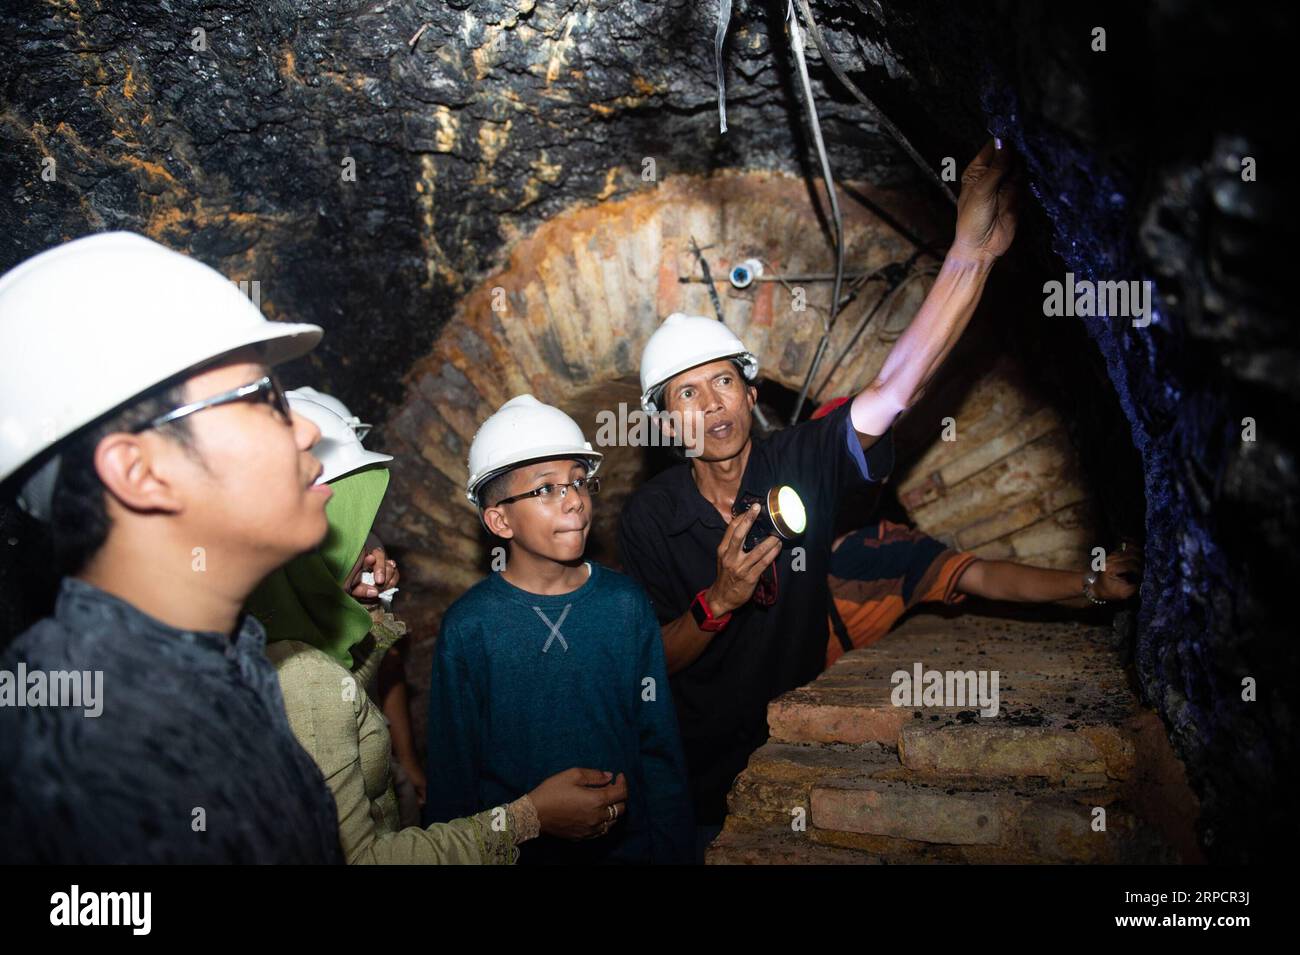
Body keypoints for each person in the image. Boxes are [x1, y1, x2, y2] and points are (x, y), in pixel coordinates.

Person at [616, 141, 1020, 847]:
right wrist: (719, 602)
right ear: (664, 420)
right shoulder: (650, 517)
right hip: (691, 777)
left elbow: (895, 390)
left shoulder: (798, 458)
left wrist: (971, 254)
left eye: (724, 382)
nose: (712, 404)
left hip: (801, 752)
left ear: (748, 390)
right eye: (687, 391)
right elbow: (649, 659)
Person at [0, 231, 343, 863]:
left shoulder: (216, 660)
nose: (310, 429)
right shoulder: (91, 750)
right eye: (263, 399)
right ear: (142, 473)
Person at [251, 392, 625, 863]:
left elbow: (339, 703)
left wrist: (367, 623)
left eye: (578, 483)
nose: (371, 547)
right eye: (356, 524)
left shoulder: (283, 644)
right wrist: (529, 817)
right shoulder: (307, 675)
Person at [425, 395, 694, 864]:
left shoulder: (625, 605)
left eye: (578, 481)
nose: (573, 500)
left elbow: (659, 749)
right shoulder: (470, 627)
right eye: (545, 489)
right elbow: (453, 777)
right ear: (499, 519)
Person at [811, 400, 1144, 668]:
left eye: (867, 458)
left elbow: (986, 576)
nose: (851, 475)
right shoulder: (776, 519)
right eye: (839, 458)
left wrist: (1090, 584)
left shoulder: (895, 552)